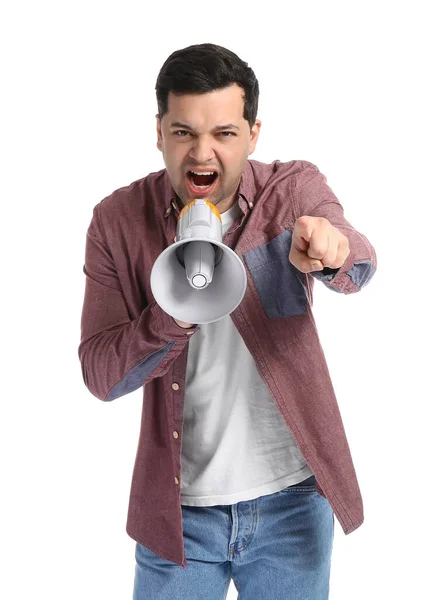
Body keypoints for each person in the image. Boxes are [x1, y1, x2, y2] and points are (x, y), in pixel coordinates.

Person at [78, 43, 377, 600]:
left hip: (292, 506)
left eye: (224, 133)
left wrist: (333, 250)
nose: (202, 152)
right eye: (184, 132)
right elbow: (99, 373)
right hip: (178, 518)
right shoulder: (116, 222)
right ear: (160, 131)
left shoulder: (291, 192)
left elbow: (358, 259)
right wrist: (170, 315)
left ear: (253, 134)